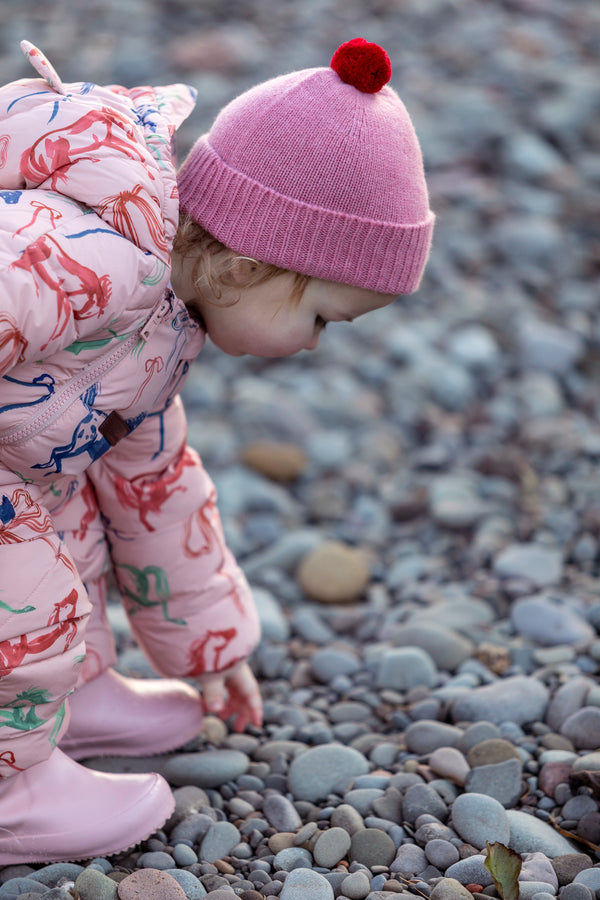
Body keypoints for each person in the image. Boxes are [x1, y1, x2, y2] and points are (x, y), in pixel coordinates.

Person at [0, 37, 434, 863]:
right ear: (249, 263)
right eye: (320, 321)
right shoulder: (96, 257)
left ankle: (68, 695)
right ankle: (9, 791)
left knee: (73, 518)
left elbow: (155, 484)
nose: (313, 348)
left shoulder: (167, 328)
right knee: (21, 583)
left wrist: (212, 644)